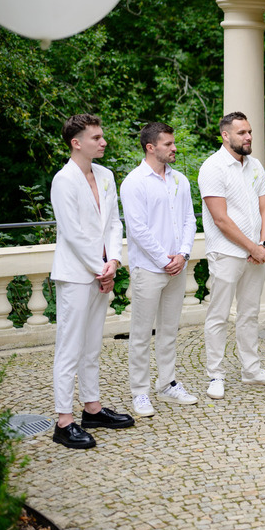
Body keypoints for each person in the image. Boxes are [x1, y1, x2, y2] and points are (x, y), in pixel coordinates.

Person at [50, 114, 134, 449]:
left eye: (102, 137)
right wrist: (100, 268)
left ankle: (93, 408)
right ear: (76, 142)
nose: (103, 142)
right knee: (69, 346)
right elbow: (71, 233)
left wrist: (113, 261)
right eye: (96, 137)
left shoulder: (105, 175)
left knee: (92, 344)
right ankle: (63, 420)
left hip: (102, 270)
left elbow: (114, 223)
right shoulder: (64, 180)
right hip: (75, 274)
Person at [198, 111, 265, 400]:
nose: (248, 137)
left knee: (250, 313)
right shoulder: (212, 167)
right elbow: (220, 220)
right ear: (225, 135)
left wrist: (262, 242)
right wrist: (252, 247)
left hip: (255, 251)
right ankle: (216, 375)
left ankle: (251, 370)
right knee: (219, 315)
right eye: (242, 133)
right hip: (226, 253)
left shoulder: (255, 165)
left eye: (249, 132)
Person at [120, 122, 199, 417]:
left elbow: (190, 220)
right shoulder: (133, 182)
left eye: (173, 142)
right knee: (141, 333)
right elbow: (137, 229)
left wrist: (183, 254)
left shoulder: (180, 180)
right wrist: (164, 259)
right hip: (149, 270)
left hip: (177, 267)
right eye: (168, 144)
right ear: (150, 147)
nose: (174, 148)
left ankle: (167, 383)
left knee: (169, 329)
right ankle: (139, 392)